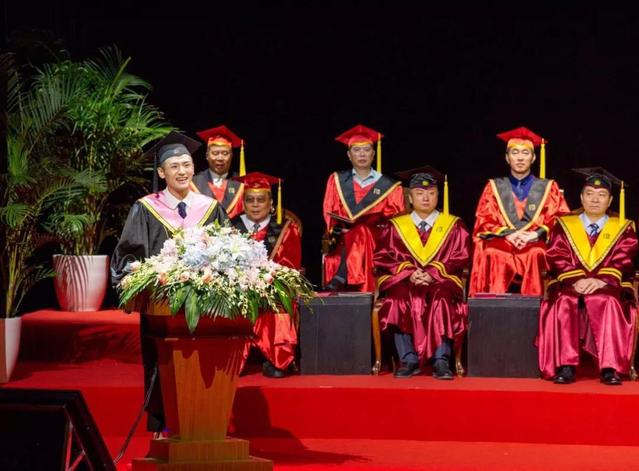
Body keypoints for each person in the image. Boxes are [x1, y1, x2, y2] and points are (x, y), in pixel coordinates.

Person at [111, 131, 229, 434]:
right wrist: (140, 278)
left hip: (206, 306)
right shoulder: (146, 208)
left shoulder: (210, 207)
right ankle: (165, 424)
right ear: (162, 173)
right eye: (174, 166)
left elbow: (228, 249)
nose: (182, 171)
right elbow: (126, 258)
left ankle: (208, 421)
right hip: (161, 306)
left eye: (187, 165)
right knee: (161, 363)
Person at [537, 168, 638, 385]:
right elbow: (557, 255)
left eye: (601, 195)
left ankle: (609, 368)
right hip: (571, 283)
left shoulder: (624, 227)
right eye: (589, 194)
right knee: (565, 300)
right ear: (582, 197)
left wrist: (600, 280)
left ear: (610, 200)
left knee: (607, 301)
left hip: (608, 284)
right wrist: (577, 280)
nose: (595, 199)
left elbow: (624, 258)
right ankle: (566, 365)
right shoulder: (563, 225)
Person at [374, 167, 471, 379]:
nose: (425, 198)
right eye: (419, 193)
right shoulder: (395, 226)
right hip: (405, 281)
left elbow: (460, 256)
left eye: (431, 193)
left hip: (441, 281)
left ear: (438, 196)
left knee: (441, 299)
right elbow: (383, 256)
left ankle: (441, 360)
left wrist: (433, 273)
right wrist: (408, 272)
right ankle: (408, 359)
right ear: (410, 197)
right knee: (398, 300)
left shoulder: (454, 226)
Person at [470, 126, 570, 296]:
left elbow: (560, 218)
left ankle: (536, 307)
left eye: (526, 153)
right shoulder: (494, 186)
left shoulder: (548, 187)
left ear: (533, 157)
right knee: (492, 252)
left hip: (534, 241)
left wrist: (535, 234)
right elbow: (484, 219)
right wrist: (509, 234)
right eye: (514, 152)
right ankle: (493, 306)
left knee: (536, 252)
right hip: (504, 240)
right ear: (507, 158)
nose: (520, 158)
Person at [231, 172, 302, 378]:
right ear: (243, 202)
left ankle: (279, 360)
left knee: (279, 301)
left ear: (271, 203)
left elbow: (290, 266)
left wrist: (264, 280)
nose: (255, 205)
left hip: (271, 286)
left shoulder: (285, 228)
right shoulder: (231, 227)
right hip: (238, 286)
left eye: (261, 200)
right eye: (250, 200)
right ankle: (232, 361)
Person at [322, 124, 405, 292]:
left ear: (373, 154)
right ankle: (345, 275)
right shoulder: (336, 180)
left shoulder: (390, 186)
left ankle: (341, 276)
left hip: (377, 240)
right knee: (358, 231)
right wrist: (339, 229)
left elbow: (396, 222)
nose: (362, 154)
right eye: (357, 150)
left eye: (366, 150)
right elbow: (329, 212)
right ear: (349, 155)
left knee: (361, 230)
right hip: (342, 237)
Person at [191, 125, 245, 218]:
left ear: (231, 156)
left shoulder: (241, 183)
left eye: (225, 153)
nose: (220, 158)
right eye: (215, 153)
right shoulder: (193, 183)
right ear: (207, 156)